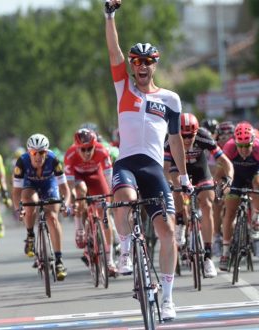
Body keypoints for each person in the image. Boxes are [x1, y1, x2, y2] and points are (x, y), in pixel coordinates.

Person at [105, 0, 190, 320]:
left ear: (155, 64)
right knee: (124, 201)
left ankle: (167, 299)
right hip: (127, 162)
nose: (141, 66)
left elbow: (175, 138)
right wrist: (109, 16)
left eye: (147, 62)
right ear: (132, 64)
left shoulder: (170, 99)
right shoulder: (123, 86)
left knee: (167, 230)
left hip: (154, 168)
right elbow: (113, 52)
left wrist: (183, 176)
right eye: (136, 61)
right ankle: (125, 249)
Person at [164, 113, 233, 279]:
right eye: (184, 136)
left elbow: (225, 161)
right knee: (175, 185)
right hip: (177, 169)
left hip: (200, 170)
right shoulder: (170, 138)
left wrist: (228, 180)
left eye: (190, 136)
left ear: (196, 133)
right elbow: (165, 168)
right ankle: (180, 220)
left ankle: (208, 257)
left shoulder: (203, 136)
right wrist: (168, 184)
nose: (187, 140)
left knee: (208, 204)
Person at [12, 133, 71, 280]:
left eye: (42, 152)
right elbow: (16, 192)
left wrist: (66, 205)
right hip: (30, 185)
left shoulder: (54, 160)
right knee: (28, 202)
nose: (38, 156)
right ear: (29, 152)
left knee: (52, 217)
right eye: (34, 153)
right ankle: (30, 235)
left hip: (49, 185)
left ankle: (58, 260)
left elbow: (65, 188)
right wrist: (18, 209)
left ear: (46, 151)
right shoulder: (22, 162)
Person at [219, 122, 259, 271]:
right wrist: (220, 187)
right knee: (229, 213)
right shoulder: (229, 147)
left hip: (254, 174)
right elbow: (220, 173)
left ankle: (255, 218)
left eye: (247, 146)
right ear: (235, 142)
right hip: (235, 176)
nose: (243, 150)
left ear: (253, 142)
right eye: (240, 146)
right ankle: (225, 252)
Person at [64, 128, 117, 274]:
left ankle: (110, 260)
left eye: (90, 149)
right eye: (83, 149)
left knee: (104, 215)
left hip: (95, 175)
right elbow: (69, 187)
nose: (87, 153)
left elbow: (109, 180)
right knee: (80, 191)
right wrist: (73, 201)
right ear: (77, 147)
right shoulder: (70, 154)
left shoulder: (102, 151)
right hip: (78, 177)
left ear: (95, 145)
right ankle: (79, 227)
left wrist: (111, 197)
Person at [210, 121, 234, 256]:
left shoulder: (237, 145)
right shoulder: (215, 147)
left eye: (228, 136)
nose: (225, 140)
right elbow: (214, 172)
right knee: (217, 201)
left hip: (236, 176)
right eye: (222, 137)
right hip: (220, 176)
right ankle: (217, 235)